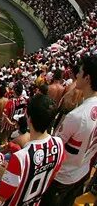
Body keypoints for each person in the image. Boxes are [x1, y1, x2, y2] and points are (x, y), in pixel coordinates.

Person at [42, 55, 97, 206]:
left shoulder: (76, 116)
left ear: (87, 78)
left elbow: (55, 150)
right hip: (82, 172)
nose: (77, 75)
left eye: (80, 72)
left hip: (62, 178)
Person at [0, 94, 64, 206]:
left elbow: (2, 195)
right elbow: (52, 175)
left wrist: (6, 175)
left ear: (29, 119)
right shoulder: (59, 144)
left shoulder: (21, 157)